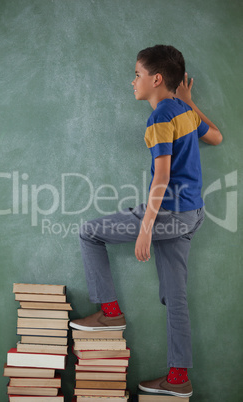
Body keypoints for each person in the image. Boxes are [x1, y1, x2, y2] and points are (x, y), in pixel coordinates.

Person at [70, 45, 222, 398]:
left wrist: (146, 227)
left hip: (168, 212)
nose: (132, 81)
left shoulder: (158, 118)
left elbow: (161, 178)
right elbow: (215, 136)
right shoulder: (183, 111)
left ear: (156, 79)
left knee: (89, 232)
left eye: (137, 74)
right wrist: (189, 100)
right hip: (192, 214)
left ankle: (110, 312)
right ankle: (178, 379)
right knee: (176, 297)